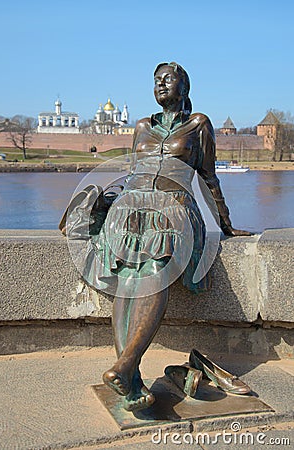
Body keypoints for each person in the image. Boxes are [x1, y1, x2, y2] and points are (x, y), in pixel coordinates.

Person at [88, 62, 251, 412]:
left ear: (184, 86)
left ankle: (126, 367)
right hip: (131, 209)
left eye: (168, 78)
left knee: (154, 274)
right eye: (155, 80)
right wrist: (105, 201)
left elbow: (210, 178)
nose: (160, 84)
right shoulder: (143, 125)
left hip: (174, 208)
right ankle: (128, 376)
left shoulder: (199, 125)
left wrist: (226, 224)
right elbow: (132, 172)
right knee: (128, 278)